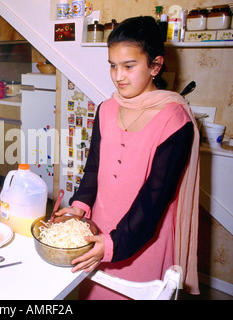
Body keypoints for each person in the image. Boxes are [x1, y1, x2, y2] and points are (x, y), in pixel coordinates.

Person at [56, 16, 200, 299]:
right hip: (99, 225)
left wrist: (112, 245)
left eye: (129, 66)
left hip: (144, 236)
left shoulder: (175, 120)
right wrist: (80, 207)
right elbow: (94, 168)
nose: (118, 76)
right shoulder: (106, 109)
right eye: (113, 66)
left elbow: (155, 196)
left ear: (155, 65)